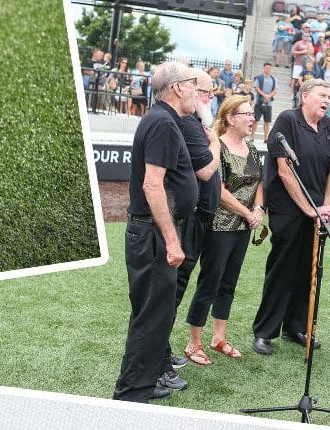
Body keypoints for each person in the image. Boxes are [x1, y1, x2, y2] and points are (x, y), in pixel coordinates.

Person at [112, 62, 204, 402]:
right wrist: (171, 239)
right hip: (152, 234)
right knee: (151, 315)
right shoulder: (163, 123)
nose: (198, 90)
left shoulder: (163, 120)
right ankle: (133, 390)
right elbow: (153, 186)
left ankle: (145, 380)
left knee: (152, 312)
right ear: (178, 87)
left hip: (150, 233)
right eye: (194, 83)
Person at [252, 79, 330, 356]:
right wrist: (309, 209)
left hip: (316, 211)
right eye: (322, 95)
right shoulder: (287, 120)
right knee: (282, 269)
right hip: (289, 210)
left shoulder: (327, 125)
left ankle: (296, 326)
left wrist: (325, 205)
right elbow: (284, 170)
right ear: (305, 97)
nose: (327, 100)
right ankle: (264, 332)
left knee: (308, 270)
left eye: (329, 96)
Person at [182, 95, 266, 365]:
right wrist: (247, 213)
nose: (252, 118)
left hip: (243, 227)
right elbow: (218, 191)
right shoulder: (216, 146)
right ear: (230, 118)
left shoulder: (252, 147)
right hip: (220, 226)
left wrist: (259, 210)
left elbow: (258, 183)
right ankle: (193, 343)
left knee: (228, 284)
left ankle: (219, 338)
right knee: (210, 283)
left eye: (252, 114)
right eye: (246, 114)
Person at [166, 69, 221, 377]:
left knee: (178, 286)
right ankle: (159, 352)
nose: (208, 98)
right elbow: (205, 170)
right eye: (205, 92)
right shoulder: (189, 123)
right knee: (173, 287)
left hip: (198, 217)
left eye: (212, 94)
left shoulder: (196, 122)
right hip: (188, 218)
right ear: (185, 89)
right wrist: (215, 143)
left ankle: (162, 349)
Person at [253, 64, 278, 135]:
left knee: (267, 121)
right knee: (255, 120)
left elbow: (275, 90)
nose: (268, 69)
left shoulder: (273, 79)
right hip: (259, 102)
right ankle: (252, 136)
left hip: (269, 103)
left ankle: (266, 137)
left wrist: (269, 96)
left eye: (269, 68)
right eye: (266, 68)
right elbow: (256, 88)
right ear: (263, 68)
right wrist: (264, 95)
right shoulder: (259, 78)